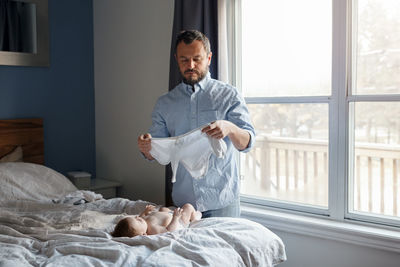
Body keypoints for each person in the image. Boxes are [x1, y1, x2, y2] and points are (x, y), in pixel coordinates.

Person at [138, 30, 255, 218]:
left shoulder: (229, 95)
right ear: (176, 59)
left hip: (222, 203)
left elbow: (247, 143)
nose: (190, 65)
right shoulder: (165, 103)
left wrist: (230, 128)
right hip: (182, 208)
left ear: (208, 58)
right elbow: (155, 150)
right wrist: (146, 146)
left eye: (197, 59)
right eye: (184, 60)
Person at [111, 204, 201, 237]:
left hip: (168, 215)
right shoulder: (153, 230)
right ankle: (194, 218)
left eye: (135, 218)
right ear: (143, 234)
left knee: (163, 209)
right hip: (178, 222)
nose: (137, 218)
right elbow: (168, 230)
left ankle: (168, 211)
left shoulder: (142, 222)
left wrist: (145, 212)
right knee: (188, 207)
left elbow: (141, 217)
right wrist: (176, 218)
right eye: (138, 221)